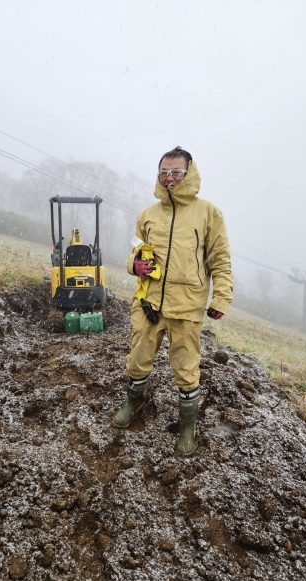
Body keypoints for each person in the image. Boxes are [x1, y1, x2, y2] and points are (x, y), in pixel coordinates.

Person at [112, 147, 233, 457]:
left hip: (187, 306)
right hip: (148, 302)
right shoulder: (147, 215)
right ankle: (133, 402)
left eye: (176, 172)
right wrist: (133, 265)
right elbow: (136, 252)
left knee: (186, 367)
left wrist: (221, 295)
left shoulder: (208, 213)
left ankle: (188, 426)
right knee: (138, 357)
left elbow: (220, 259)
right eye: (164, 173)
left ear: (189, 174)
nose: (169, 178)